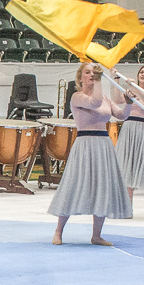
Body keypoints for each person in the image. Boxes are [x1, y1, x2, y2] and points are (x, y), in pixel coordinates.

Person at [49, 62, 133, 246]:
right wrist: (99, 78)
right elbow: (93, 102)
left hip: (103, 144)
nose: (91, 75)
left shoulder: (104, 97)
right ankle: (58, 231)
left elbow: (121, 116)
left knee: (102, 187)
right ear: (80, 77)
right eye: (87, 72)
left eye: (93, 72)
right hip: (85, 144)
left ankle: (96, 235)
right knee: (73, 185)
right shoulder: (77, 97)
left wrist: (128, 104)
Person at [113, 65, 144, 222]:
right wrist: (115, 78)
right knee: (126, 169)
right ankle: (128, 209)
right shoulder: (132, 90)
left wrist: (135, 87)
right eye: (141, 72)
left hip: (143, 129)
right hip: (129, 127)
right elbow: (116, 99)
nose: (143, 74)